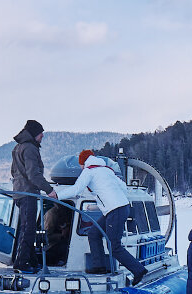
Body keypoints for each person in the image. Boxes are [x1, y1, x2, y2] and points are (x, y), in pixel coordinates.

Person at [55, 150, 148, 284]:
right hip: (119, 208)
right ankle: (99, 267)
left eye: (80, 164)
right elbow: (123, 187)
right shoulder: (106, 170)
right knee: (94, 233)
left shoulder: (89, 171)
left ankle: (138, 270)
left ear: (83, 162)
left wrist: (57, 196)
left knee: (114, 246)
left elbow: (76, 189)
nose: (80, 167)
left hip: (115, 210)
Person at [10, 119, 57, 273]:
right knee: (29, 229)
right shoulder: (30, 148)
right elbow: (33, 175)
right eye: (40, 133)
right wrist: (49, 190)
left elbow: (14, 172)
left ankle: (33, 261)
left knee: (26, 228)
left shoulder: (18, 148)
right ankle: (21, 264)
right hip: (28, 193)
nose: (42, 136)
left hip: (19, 193)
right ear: (34, 134)